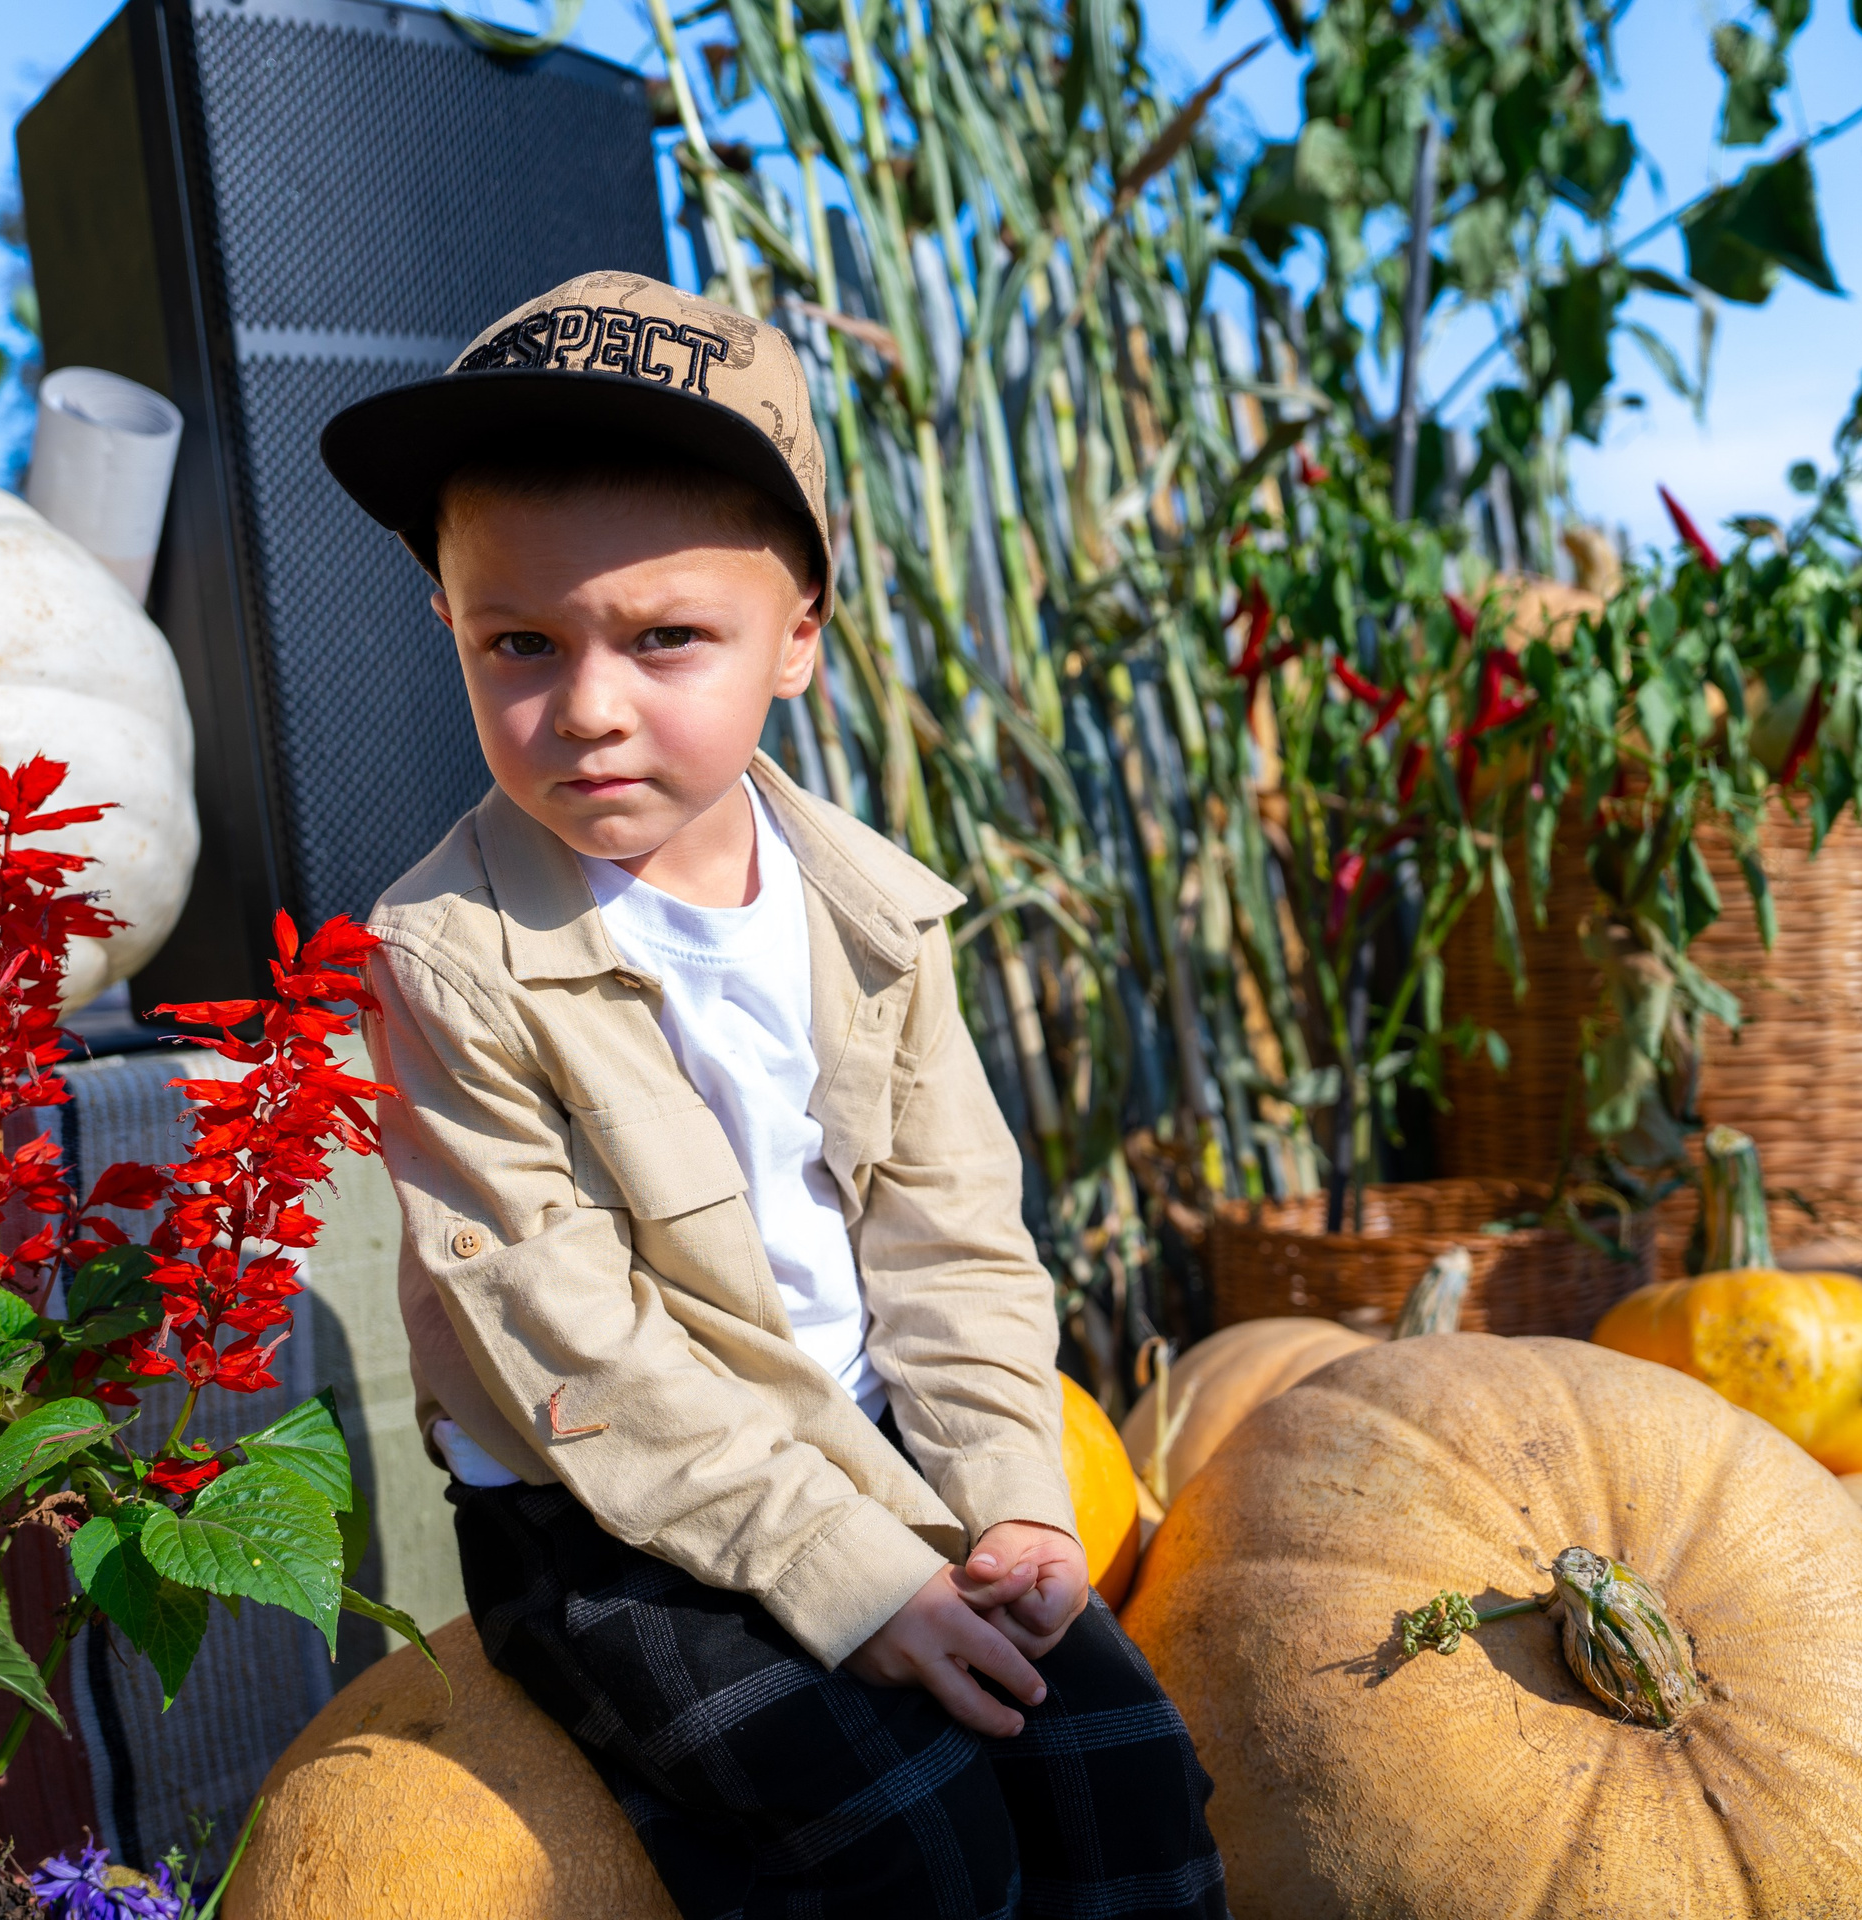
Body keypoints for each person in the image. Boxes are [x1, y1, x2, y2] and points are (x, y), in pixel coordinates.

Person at [319, 270, 1227, 1920]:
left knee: (1125, 1771)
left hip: (872, 1443)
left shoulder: (873, 916)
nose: (588, 706)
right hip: (605, 1515)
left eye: (666, 638)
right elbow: (570, 1344)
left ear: (797, 635)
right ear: (447, 623)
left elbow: (951, 1237)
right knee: (907, 1837)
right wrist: (849, 1578)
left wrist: (1012, 1503)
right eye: (520, 642)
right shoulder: (449, 962)